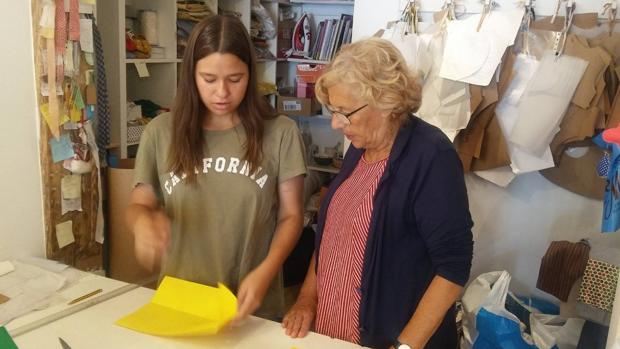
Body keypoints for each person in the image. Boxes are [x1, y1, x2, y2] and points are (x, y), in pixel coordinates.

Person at [282, 38, 474, 349]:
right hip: (334, 334)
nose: (335, 123)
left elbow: (453, 269)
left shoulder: (431, 156)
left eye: (344, 112)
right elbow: (334, 235)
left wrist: (405, 347)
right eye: (333, 111)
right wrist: (307, 298)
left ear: (386, 101)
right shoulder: (361, 147)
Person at [126, 15, 307, 322]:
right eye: (209, 79)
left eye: (235, 79)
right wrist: (143, 223)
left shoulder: (280, 132)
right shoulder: (159, 132)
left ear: (250, 75)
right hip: (182, 303)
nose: (222, 92)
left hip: (251, 307)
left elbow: (291, 216)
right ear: (191, 76)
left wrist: (266, 271)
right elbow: (139, 204)